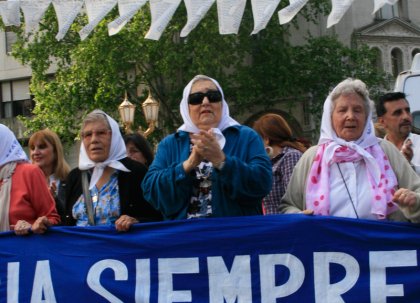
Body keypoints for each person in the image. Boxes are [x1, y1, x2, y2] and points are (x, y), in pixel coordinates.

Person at [279, 78, 420, 222]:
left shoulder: (385, 150)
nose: (351, 116)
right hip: (328, 243)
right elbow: (288, 206)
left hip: (383, 243)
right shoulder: (312, 157)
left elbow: (417, 191)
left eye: (357, 110)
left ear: (366, 117)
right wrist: (300, 217)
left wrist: (413, 202)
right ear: (330, 117)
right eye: (342, 110)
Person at [142, 74, 272, 220]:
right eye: (196, 98)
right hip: (184, 236)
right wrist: (188, 164)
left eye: (213, 96)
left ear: (222, 104)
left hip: (234, 234)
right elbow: (151, 190)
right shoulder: (170, 144)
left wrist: (221, 161)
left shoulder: (246, 137)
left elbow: (263, 183)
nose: (205, 102)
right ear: (187, 107)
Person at [65, 110, 162, 230]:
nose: (94, 140)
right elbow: (64, 220)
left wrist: (136, 221)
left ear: (114, 136)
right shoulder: (74, 177)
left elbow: (157, 217)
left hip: (121, 247)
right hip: (79, 247)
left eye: (101, 133)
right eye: (88, 135)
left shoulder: (135, 172)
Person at [0, 124, 60, 235]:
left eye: (42, 147)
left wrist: (33, 226)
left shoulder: (29, 172)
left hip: (24, 250)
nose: (36, 152)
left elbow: (52, 218)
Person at [253, 113, 306, 214]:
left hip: (286, 225)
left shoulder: (290, 156)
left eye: (257, 139)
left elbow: (293, 200)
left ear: (266, 139)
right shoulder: (268, 161)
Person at [29, 129, 71, 220]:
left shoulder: (70, 180)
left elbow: (73, 218)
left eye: (42, 147)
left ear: (56, 152)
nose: (35, 152)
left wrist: (54, 199)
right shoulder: (26, 183)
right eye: (32, 148)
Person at [376, 92, 420, 175]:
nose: (406, 116)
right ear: (382, 121)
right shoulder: (376, 151)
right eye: (397, 113)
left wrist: (409, 167)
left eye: (407, 111)